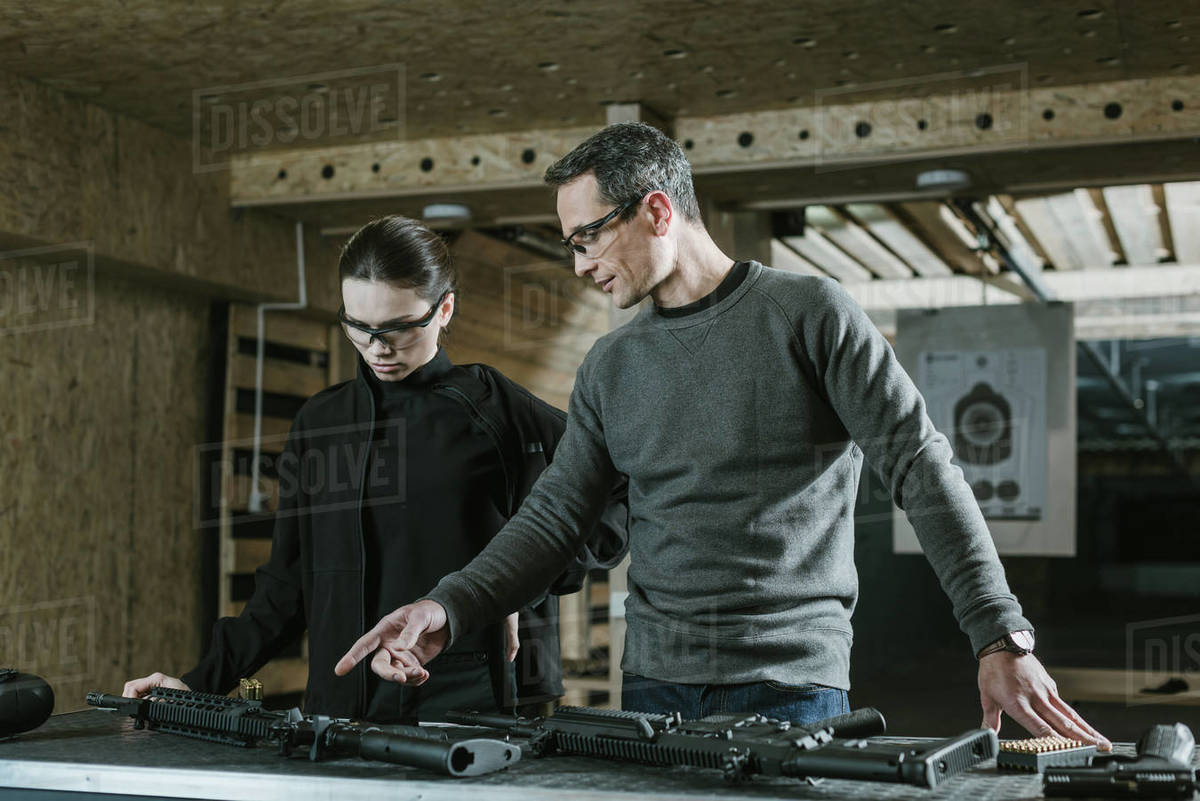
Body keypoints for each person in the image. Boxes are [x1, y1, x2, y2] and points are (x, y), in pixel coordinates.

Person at [335, 123, 1111, 750]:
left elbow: (918, 464)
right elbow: (551, 520)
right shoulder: (610, 366)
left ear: (657, 212)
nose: (578, 265)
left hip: (792, 690)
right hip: (652, 692)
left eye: (587, 239)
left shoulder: (810, 314)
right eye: (570, 244)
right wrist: (445, 607)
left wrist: (999, 633)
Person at [124, 215, 628, 722]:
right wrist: (197, 683)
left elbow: (614, 500)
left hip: (476, 708)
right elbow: (286, 587)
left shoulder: (500, 413)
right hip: (340, 708)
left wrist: (520, 584)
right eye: (359, 328)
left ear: (443, 308)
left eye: (398, 328)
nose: (378, 348)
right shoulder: (321, 422)